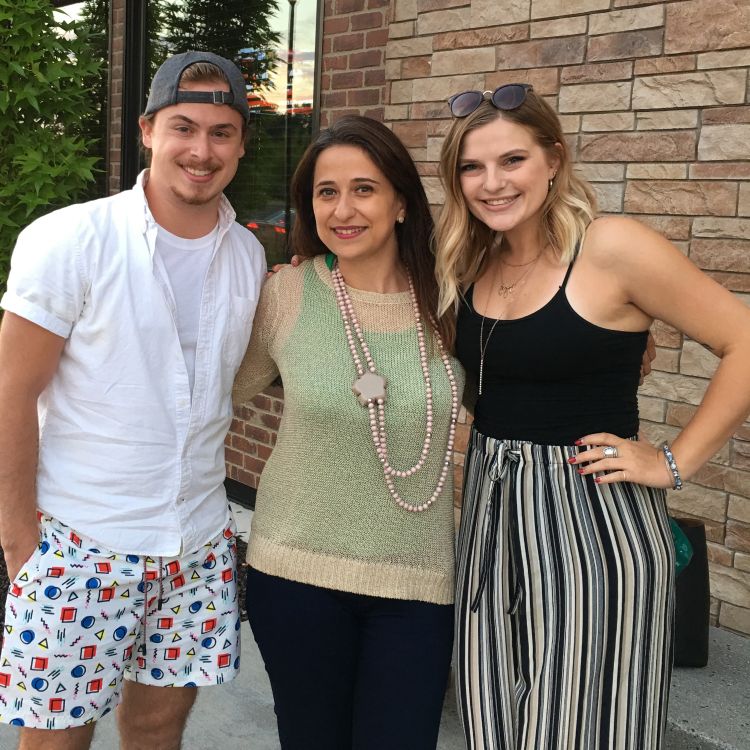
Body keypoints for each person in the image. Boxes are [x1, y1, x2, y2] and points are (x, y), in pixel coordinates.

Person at [434, 83, 750, 750]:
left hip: (592, 517)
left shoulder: (610, 246)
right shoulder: (471, 261)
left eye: (512, 160)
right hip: (491, 512)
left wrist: (672, 460)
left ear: (554, 159)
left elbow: (742, 340)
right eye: (471, 166)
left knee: (582, 727)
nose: (491, 183)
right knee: (491, 716)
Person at [0, 51, 265, 749]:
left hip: (199, 541)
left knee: (156, 725)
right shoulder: (70, 239)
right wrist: (20, 542)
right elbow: (11, 392)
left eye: (221, 132)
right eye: (184, 127)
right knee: (56, 736)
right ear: (149, 131)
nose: (201, 151)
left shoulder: (248, 255)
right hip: (82, 537)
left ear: (240, 144)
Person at [233, 115, 463, 750]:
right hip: (295, 574)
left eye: (363, 188)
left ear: (401, 202)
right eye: (325, 192)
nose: (343, 209)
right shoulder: (288, 293)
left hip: (417, 584)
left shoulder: (453, 298)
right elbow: (207, 396)